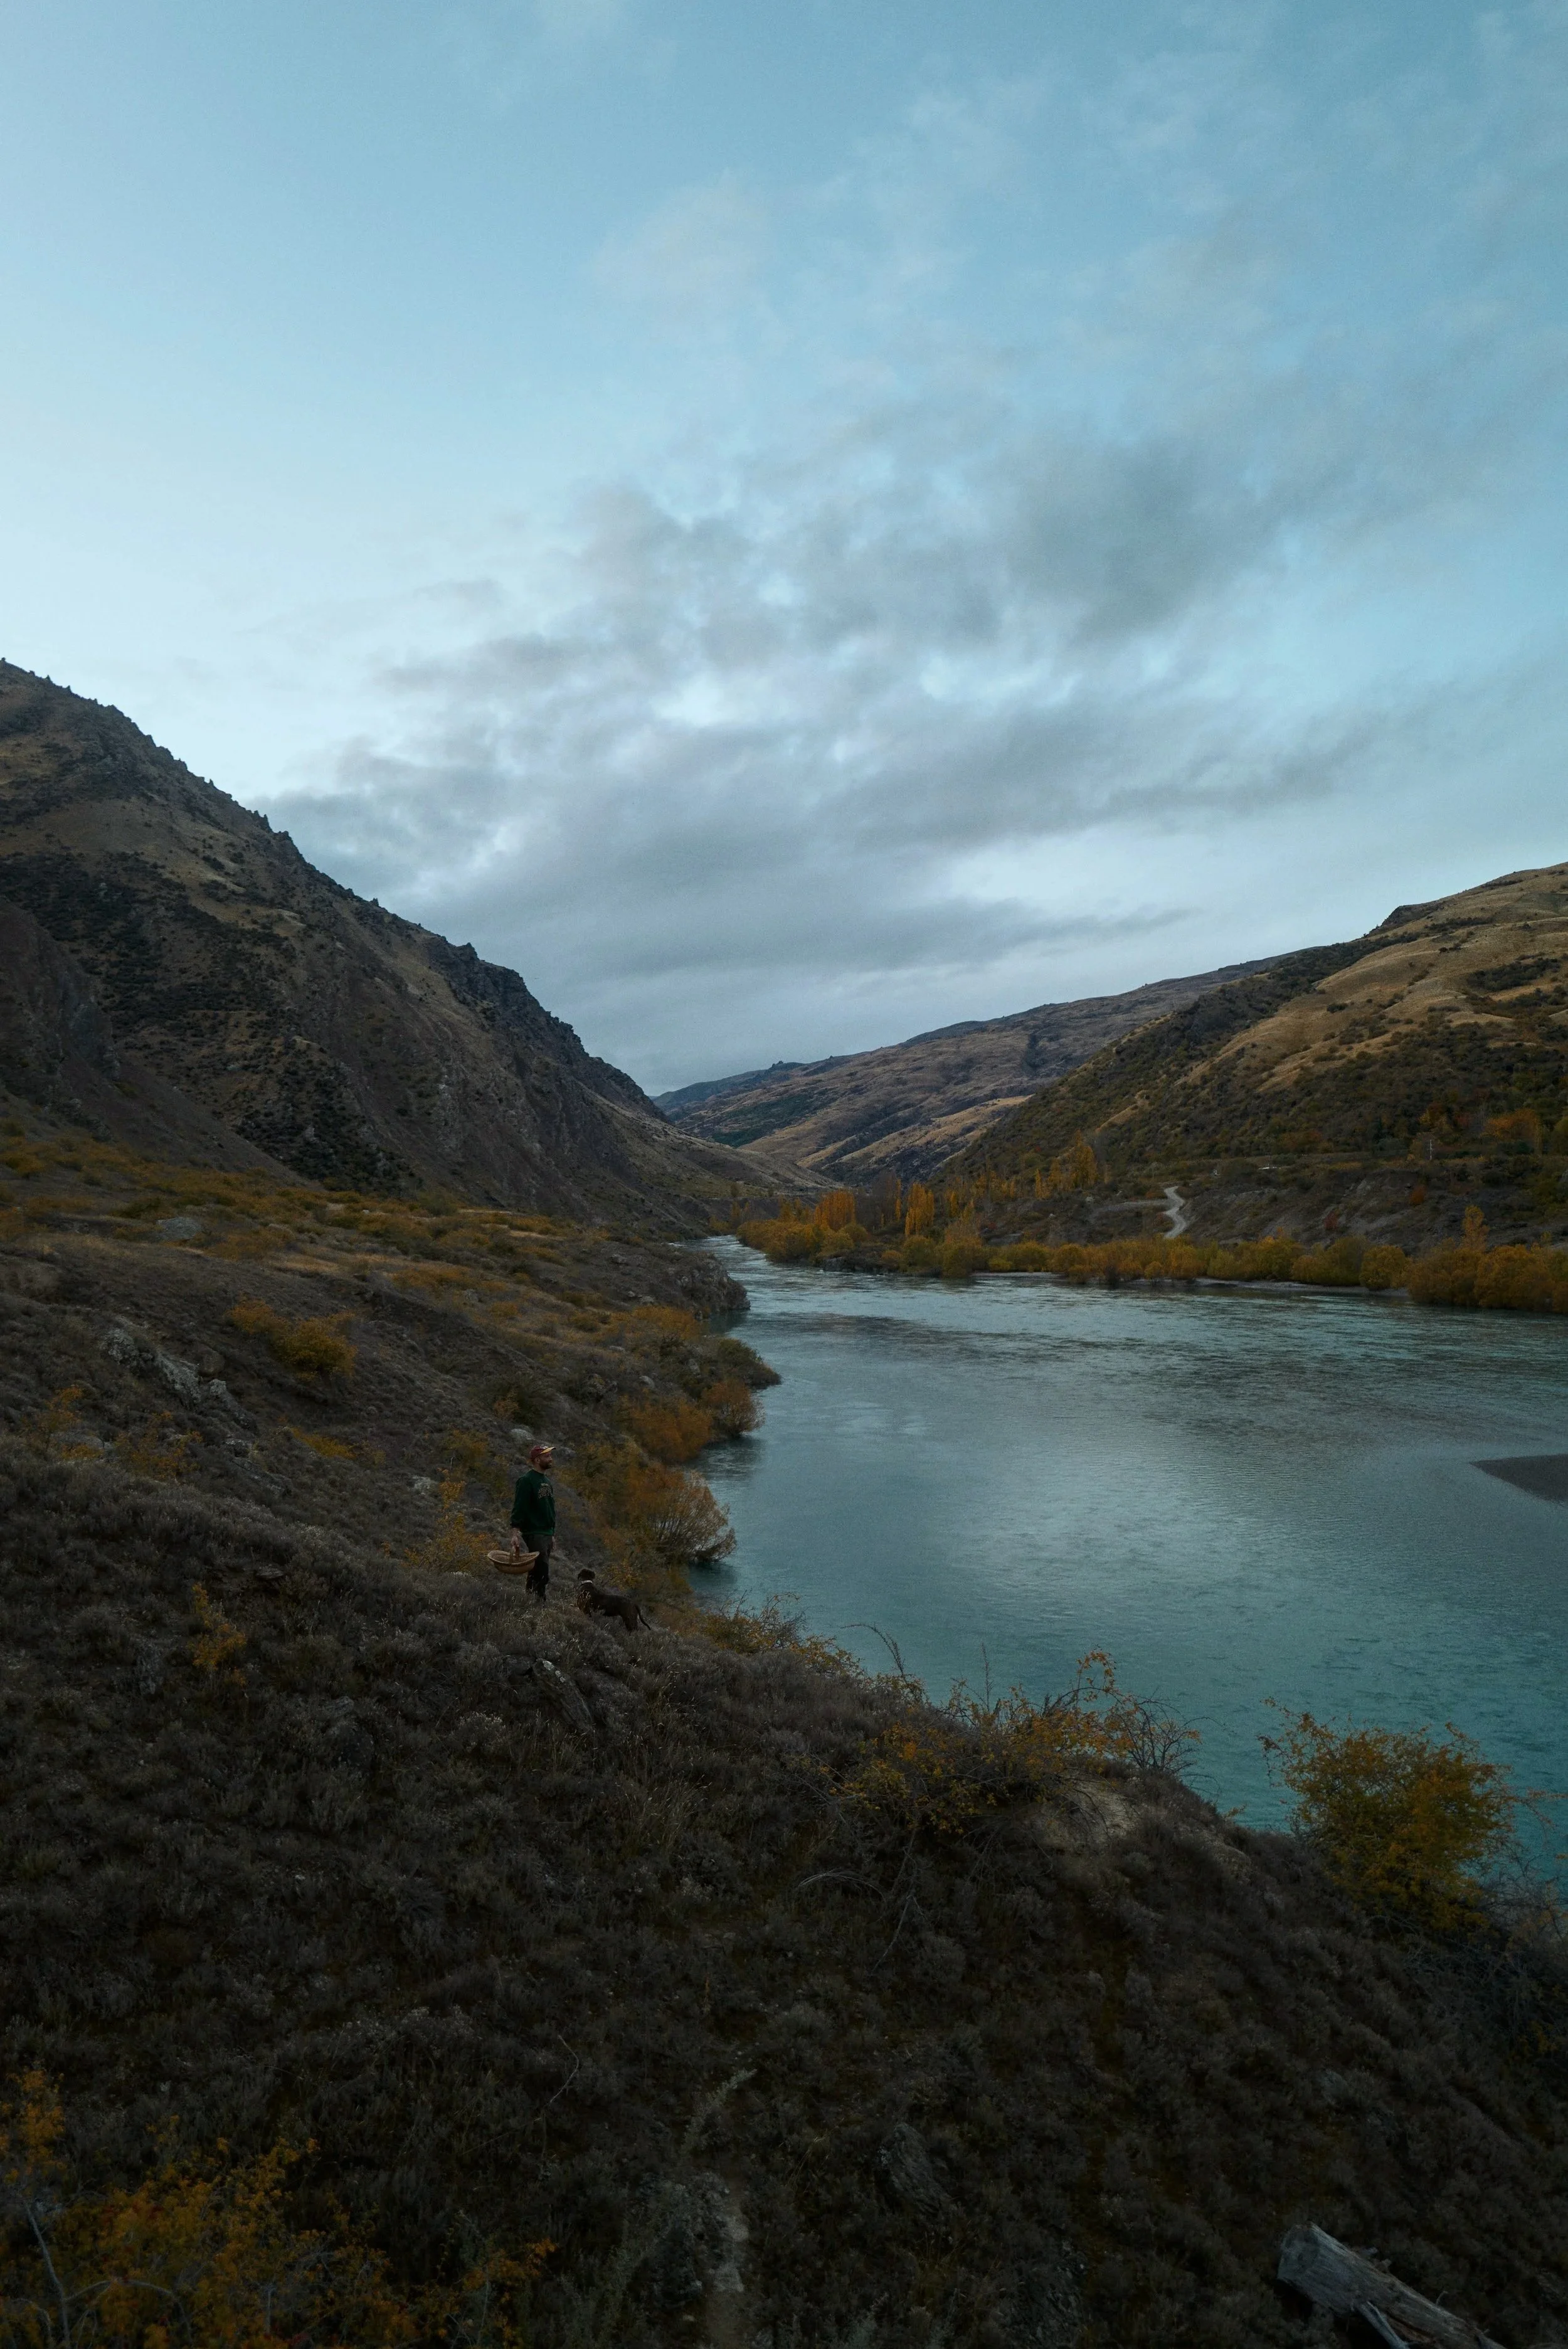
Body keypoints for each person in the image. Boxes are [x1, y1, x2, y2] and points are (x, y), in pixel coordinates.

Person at [510, 1443, 556, 1602]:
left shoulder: (546, 1481)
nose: (551, 1459)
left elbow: (550, 1509)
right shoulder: (526, 1481)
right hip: (534, 1532)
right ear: (537, 1460)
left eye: (550, 1455)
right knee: (542, 1570)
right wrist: (515, 1533)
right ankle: (540, 1602)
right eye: (547, 1456)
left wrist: (552, 1533)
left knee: (537, 1569)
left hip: (546, 1533)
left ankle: (530, 1601)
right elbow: (519, 1507)